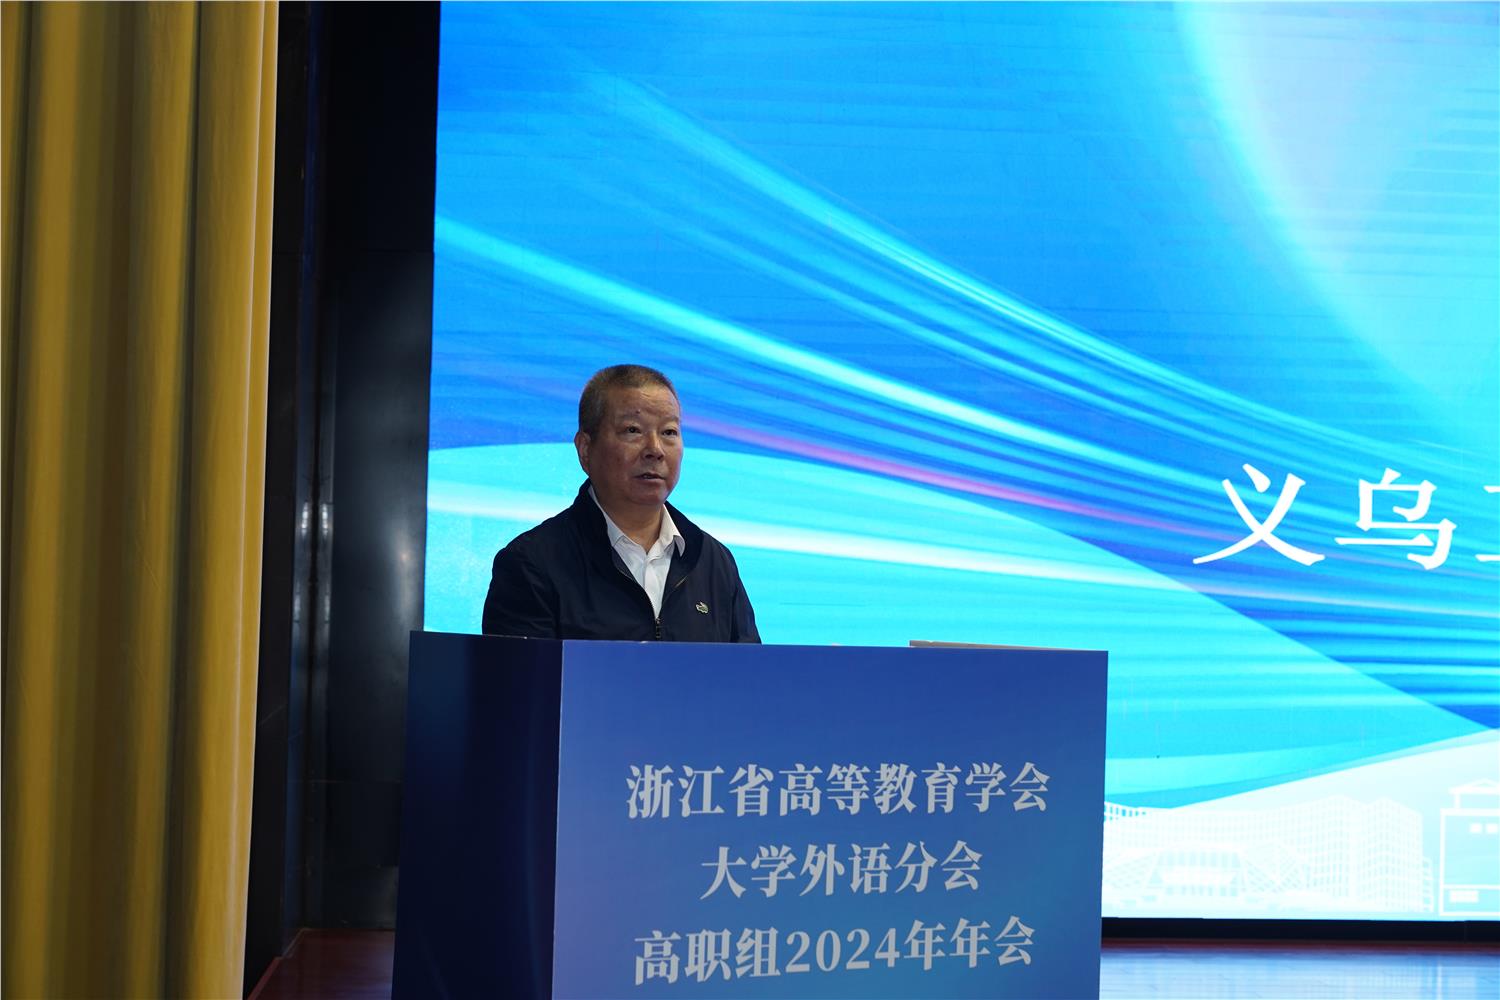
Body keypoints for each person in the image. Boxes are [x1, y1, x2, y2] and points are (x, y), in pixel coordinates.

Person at [482, 364, 760, 642]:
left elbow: (750, 668)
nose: (655, 450)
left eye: (669, 432)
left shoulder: (712, 561)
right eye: (633, 430)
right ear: (585, 449)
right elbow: (524, 671)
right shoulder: (532, 564)